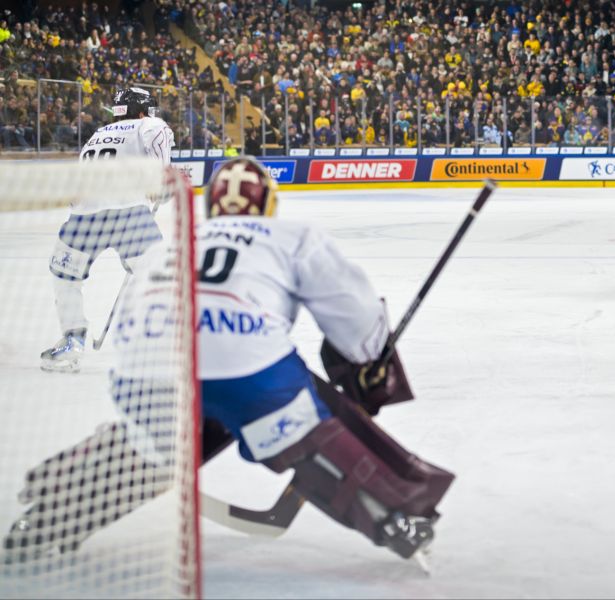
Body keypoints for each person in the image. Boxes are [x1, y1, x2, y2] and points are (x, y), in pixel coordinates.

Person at [7, 158, 453, 565]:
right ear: (268, 203)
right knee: (309, 436)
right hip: (249, 376)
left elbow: (131, 319)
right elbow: (355, 318)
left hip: (148, 374)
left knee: (145, 448)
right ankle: (395, 516)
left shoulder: (171, 245)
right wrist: (369, 366)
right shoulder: (292, 237)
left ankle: (48, 512)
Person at [40, 87, 175, 372]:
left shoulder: (97, 135)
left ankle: (72, 341)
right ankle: (162, 343)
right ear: (142, 110)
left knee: (64, 275)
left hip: (84, 216)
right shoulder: (150, 124)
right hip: (130, 214)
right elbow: (159, 142)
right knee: (159, 275)